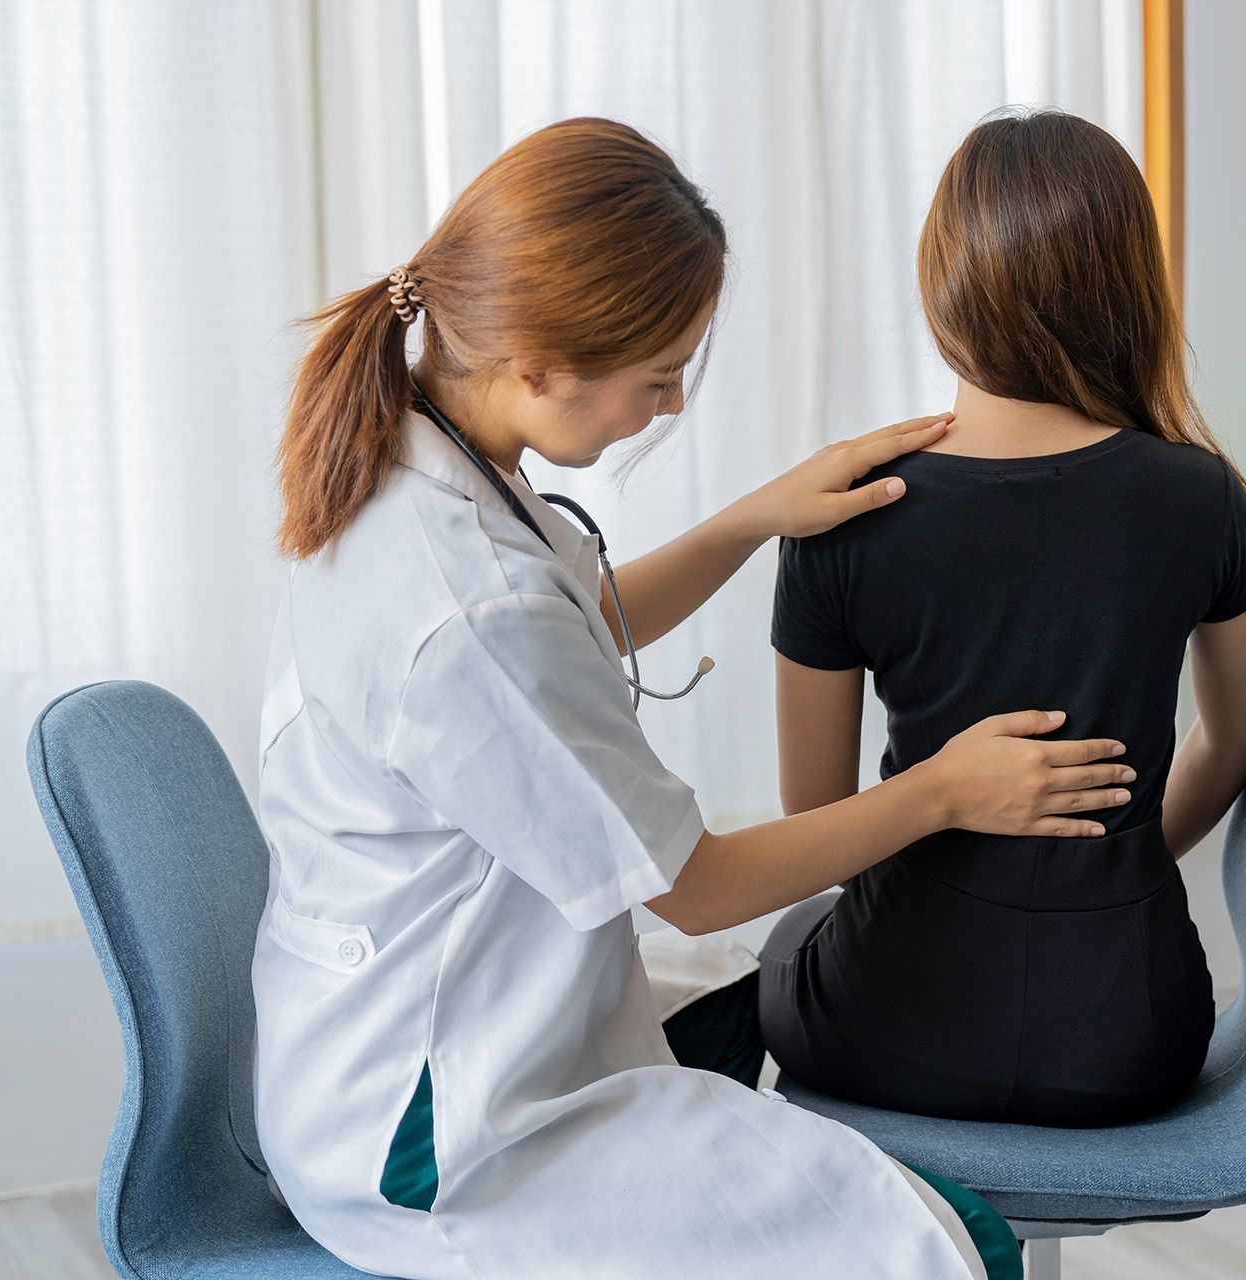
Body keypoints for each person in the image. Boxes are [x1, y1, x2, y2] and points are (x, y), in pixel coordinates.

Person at [253, 117, 1135, 1280]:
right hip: (431, 1132)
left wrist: (750, 518)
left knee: (739, 1037)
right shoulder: (463, 606)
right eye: (660, 376)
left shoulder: (428, 464)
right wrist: (944, 791)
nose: (668, 408)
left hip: (404, 1036)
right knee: (943, 1243)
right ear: (538, 364)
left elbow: (577, 629)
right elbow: (700, 890)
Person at [760, 109, 1246, 1128]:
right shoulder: (1199, 495)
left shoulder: (847, 510)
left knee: (776, 961)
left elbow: (814, 824)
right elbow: (1243, 731)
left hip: (889, 1020)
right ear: (1126, 281)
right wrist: (1124, 857)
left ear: (945, 279)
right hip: (1130, 1032)